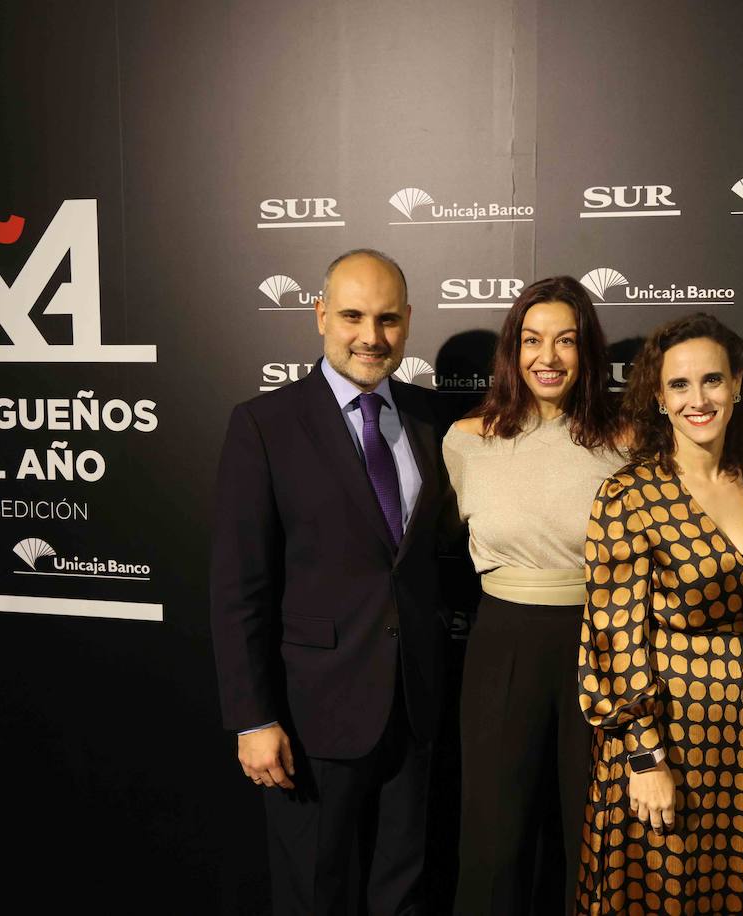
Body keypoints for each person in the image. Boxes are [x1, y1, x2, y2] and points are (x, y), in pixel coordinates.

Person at [210, 248, 448, 916]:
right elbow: (238, 589)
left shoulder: (436, 421)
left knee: (401, 893)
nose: (371, 336)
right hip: (311, 717)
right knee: (317, 895)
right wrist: (253, 717)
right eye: (352, 315)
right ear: (319, 315)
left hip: (415, 708)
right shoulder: (264, 425)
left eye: (388, 319)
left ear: (407, 322)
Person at [576, 313, 743, 916]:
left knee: (731, 888)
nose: (699, 399)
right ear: (658, 397)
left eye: (713, 380)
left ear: (739, 385)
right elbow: (613, 635)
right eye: (679, 385)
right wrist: (643, 755)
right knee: (660, 891)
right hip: (667, 732)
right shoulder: (629, 494)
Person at [443, 276, 624, 915]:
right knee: (494, 838)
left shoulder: (627, 442)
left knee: (597, 836)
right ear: (513, 351)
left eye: (566, 341)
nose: (548, 357)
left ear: (587, 353)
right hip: (504, 642)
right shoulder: (466, 441)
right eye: (532, 340)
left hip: (604, 642)